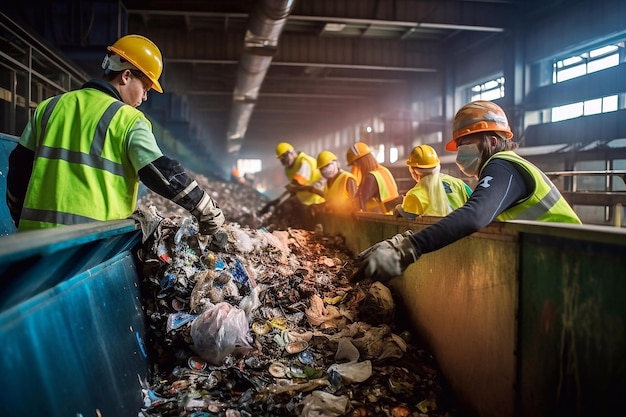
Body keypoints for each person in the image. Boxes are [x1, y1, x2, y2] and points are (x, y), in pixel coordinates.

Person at [6, 34, 225, 235]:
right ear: (126, 76)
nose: (145, 97)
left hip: (33, 239)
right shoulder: (128, 119)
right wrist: (203, 207)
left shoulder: (50, 107)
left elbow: (18, 167)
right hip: (89, 247)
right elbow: (160, 171)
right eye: (146, 88)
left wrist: (19, 216)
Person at [352, 100, 582, 282]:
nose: (460, 152)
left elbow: (473, 216)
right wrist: (405, 239)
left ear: (492, 141)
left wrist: (408, 249)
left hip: (574, 262)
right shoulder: (504, 169)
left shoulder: (503, 166)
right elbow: (466, 219)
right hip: (558, 261)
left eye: (465, 143)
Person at [395, 144, 472, 219]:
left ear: (412, 170)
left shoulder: (414, 196)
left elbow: (407, 216)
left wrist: (399, 209)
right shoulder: (459, 184)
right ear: (437, 165)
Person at [346, 142, 400, 214]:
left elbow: (358, 203)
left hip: (381, 219)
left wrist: (340, 205)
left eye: (355, 163)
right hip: (393, 216)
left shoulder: (371, 177)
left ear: (361, 161)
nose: (355, 167)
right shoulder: (384, 170)